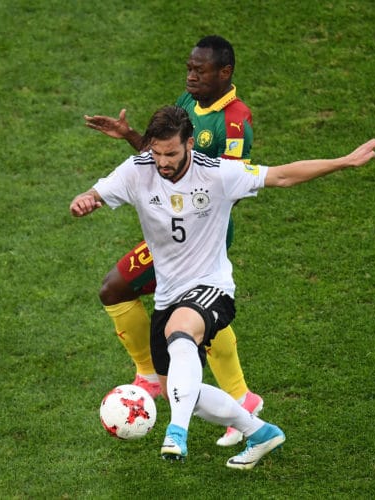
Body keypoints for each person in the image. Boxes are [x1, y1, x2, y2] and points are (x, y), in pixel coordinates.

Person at [70, 106, 375, 469]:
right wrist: (85, 200)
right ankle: (262, 432)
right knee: (179, 388)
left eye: (171, 153)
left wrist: (344, 161)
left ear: (189, 144)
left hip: (211, 287)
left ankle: (177, 431)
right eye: (156, 153)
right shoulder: (138, 170)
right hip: (168, 293)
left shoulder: (217, 174)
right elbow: (95, 192)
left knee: (179, 332)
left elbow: (280, 176)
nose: (162, 162)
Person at [84, 35, 261, 447]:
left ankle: (228, 397)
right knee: (123, 291)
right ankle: (196, 387)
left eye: (199, 71)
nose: (190, 76)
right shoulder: (185, 102)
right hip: (172, 225)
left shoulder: (234, 122)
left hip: (199, 232)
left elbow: (221, 182)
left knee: (187, 314)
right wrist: (131, 136)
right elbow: (162, 154)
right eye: (189, 68)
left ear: (225, 73)